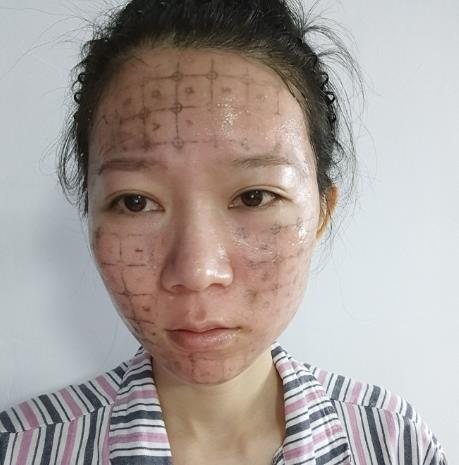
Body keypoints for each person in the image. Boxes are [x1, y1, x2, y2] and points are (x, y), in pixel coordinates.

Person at [0, 0, 449, 464]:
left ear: (321, 211)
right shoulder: (19, 449)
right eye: (135, 202)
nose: (197, 271)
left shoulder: (395, 442)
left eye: (254, 197)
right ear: (91, 217)